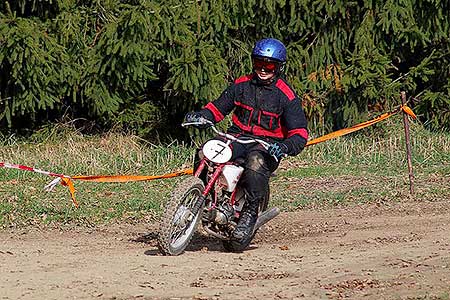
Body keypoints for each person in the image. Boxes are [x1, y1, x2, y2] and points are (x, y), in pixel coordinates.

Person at [185, 38, 308, 241]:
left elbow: (300, 134)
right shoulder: (241, 85)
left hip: (267, 146)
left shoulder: (286, 96)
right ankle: (200, 194)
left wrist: (284, 146)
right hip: (236, 136)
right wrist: (203, 116)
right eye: (258, 63)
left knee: (255, 162)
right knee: (205, 151)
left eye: (268, 65)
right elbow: (217, 108)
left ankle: (250, 213)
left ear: (278, 67)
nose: (262, 69)